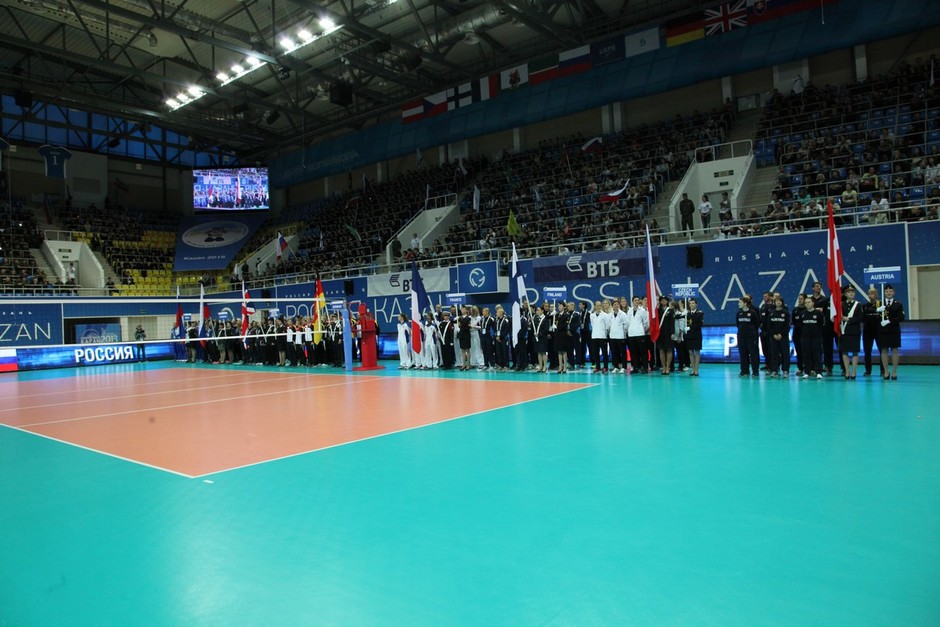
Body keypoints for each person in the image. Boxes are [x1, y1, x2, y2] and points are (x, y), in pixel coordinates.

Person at [877, 284, 905, 380]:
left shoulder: (898, 304)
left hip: (894, 330)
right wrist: (877, 311)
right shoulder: (880, 304)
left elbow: (901, 317)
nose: (888, 293)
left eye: (890, 291)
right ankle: (886, 371)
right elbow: (874, 317)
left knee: (895, 350)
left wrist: (889, 321)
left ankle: (894, 371)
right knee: (884, 350)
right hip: (883, 331)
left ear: (894, 293)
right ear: (884, 293)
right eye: (886, 291)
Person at [839, 285, 863, 379]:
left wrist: (848, 319)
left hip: (854, 331)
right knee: (844, 351)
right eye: (849, 292)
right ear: (845, 294)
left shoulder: (858, 305)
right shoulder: (841, 304)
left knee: (855, 352)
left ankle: (854, 371)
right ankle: (847, 371)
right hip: (844, 331)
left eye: (852, 292)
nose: (851, 293)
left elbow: (860, 318)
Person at [800, 296, 825, 379]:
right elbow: (800, 326)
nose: (807, 304)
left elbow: (821, 325)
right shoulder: (802, 314)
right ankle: (807, 371)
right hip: (805, 338)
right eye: (806, 303)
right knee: (806, 354)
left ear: (813, 303)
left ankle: (819, 372)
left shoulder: (818, 313)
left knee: (817, 354)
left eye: (809, 302)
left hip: (816, 338)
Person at [736, 296, 760, 377]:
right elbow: (738, 324)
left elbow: (757, 324)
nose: (738, 304)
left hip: (751, 337)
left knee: (753, 354)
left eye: (740, 302)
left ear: (745, 303)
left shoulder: (753, 313)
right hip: (741, 336)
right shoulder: (739, 313)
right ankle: (744, 371)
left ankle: (755, 371)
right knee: (743, 353)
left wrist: (752, 332)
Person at [861, 288, 883, 377]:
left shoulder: (881, 305)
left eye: (872, 293)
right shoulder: (864, 306)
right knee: (867, 352)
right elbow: (862, 318)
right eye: (869, 293)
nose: (870, 295)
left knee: (882, 351)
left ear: (876, 294)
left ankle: (883, 370)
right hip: (867, 332)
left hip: (879, 331)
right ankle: (868, 370)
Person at [766, 296, 790, 377]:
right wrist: (774, 334)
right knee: (774, 353)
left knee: (785, 353)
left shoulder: (786, 313)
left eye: (780, 301)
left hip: (783, 337)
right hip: (773, 337)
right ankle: (774, 370)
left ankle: (785, 370)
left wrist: (781, 334)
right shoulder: (771, 313)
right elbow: (769, 325)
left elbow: (787, 325)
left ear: (782, 302)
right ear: (774, 302)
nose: (778, 302)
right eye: (776, 301)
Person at [626, 296, 649, 374]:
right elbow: (627, 322)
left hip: (640, 334)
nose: (637, 301)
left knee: (643, 352)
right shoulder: (629, 311)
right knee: (633, 352)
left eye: (638, 300)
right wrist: (629, 330)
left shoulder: (643, 311)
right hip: (631, 334)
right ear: (632, 301)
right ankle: (635, 367)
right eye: (635, 300)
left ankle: (645, 367)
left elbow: (646, 322)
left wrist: (643, 330)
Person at [607, 300, 628, 373]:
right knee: (614, 352)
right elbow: (608, 325)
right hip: (612, 336)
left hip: (621, 336)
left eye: (617, 304)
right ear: (612, 306)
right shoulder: (610, 315)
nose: (616, 305)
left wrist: (624, 332)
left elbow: (626, 324)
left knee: (623, 352)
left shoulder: (623, 314)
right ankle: (616, 366)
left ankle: (624, 367)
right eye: (615, 304)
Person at [589, 300, 609, 373]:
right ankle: (597, 367)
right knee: (596, 353)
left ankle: (605, 367)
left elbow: (607, 326)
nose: (599, 307)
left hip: (602, 336)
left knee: (604, 353)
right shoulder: (592, 315)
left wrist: (605, 333)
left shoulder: (605, 315)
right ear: (595, 306)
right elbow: (592, 324)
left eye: (600, 305)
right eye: (597, 305)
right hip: (594, 336)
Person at [685, 298, 704, 376]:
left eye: (693, 303)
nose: (691, 305)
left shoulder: (700, 313)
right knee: (690, 352)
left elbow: (700, 324)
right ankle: (693, 369)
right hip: (689, 335)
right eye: (690, 303)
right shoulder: (687, 313)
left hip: (696, 334)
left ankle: (696, 369)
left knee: (697, 351)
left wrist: (690, 328)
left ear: (696, 304)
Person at [658, 300, 676, 375]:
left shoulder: (670, 310)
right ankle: (664, 367)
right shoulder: (657, 310)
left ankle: (668, 367)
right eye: (662, 300)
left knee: (669, 350)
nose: (663, 301)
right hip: (660, 333)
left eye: (665, 300)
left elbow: (672, 322)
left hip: (668, 333)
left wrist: (672, 333)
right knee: (661, 350)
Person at [554, 301, 572, 374]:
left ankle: (564, 367)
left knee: (564, 351)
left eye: (561, 306)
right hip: (558, 335)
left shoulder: (566, 315)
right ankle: (560, 366)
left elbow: (565, 325)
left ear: (564, 307)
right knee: (559, 351)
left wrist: (557, 326)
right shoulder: (556, 315)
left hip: (563, 335)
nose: (559, 307)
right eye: (558, 306)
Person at [532, 304, 550, 373]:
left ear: (542, 311)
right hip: (537, 338)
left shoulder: (545, 319)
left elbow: (546, 329)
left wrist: (539, 334)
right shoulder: (536, 319)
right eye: (537, 310)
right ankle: (540, 366)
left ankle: (545, 366)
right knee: (539, 352)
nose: (537, 311)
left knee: (543, 352)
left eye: (538, 310)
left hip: (543, 338)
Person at [792, 294, 806, 376]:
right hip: (797, 334)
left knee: (807, 352)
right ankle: (800, 368)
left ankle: (810, 368)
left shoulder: (807, 310)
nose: (800, 300)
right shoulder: (795, 310)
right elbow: (793, 322)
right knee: (799, 352)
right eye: (799, 299)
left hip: (806, 334)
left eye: (802, 299)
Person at [493, 306, 510, 371]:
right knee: (499, 352)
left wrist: (500, 336)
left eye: (497, 312)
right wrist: (496, 336)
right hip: (497, 338)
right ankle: (501, 365)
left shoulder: (506, 320)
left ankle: (506, 365)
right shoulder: (496, 320)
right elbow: (495, 329)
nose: (496, 313)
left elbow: (506, 330)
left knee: (504, 352)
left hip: (504, 338)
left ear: (501, 313)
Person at [457, 306, 472, 371]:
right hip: (462, 335)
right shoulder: (459, 318)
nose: (462, 311)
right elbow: (459, 325)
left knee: (467, 350)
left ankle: (468, 364)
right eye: (462, 309)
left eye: (464, 309)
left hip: (467, 334)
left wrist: (463, 325)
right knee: (462, 350)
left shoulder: (469, 318)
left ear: (466, 310)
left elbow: (468, 326)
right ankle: (463, 364)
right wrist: (462, 324)